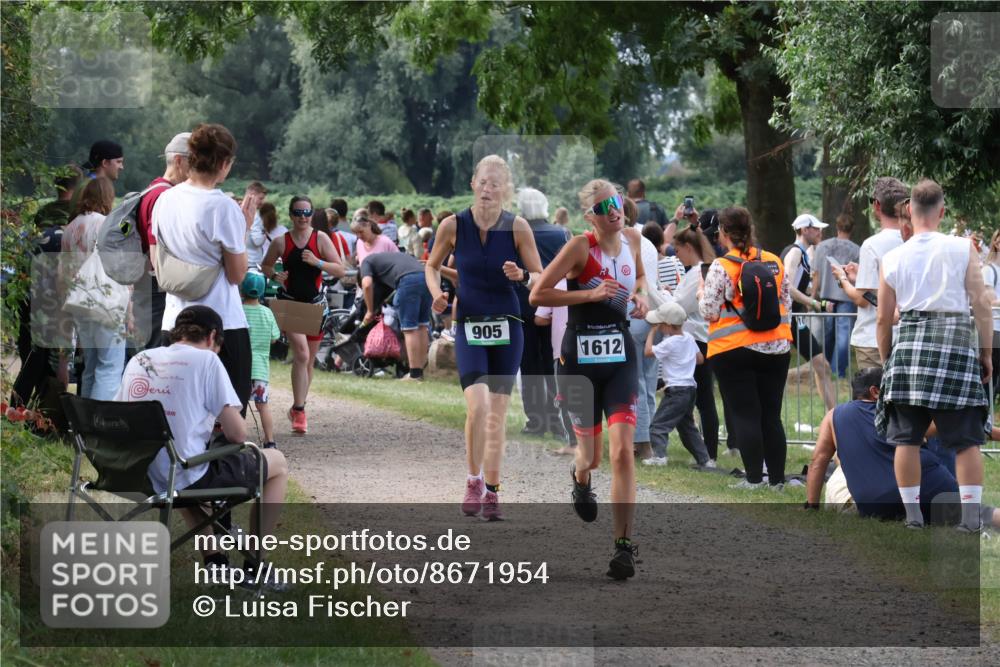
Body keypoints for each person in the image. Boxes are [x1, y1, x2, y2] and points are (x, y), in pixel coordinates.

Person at [114, 305, 288, 586]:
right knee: (276, 462)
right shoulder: (207, 361)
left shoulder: (141, 358)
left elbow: (121, 413)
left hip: (135, 473)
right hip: (177, 475)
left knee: (180, 461)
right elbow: (236, 434)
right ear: (212, 337)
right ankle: (256, 564)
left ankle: (215, 562)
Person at [530, 178, 649, 579]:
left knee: (621, 452)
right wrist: (588, 295)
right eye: (603, 207)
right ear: (589, 216)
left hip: (620, 358)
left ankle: (623, 547)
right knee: (592, 457)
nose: (614, 210)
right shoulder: (580, 248)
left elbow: (642, 278)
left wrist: (642, 295)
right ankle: (581, 478)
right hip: (578, 360)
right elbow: (538, 295)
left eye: (616, 202)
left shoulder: (633, 238)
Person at [426, 155, 543, 522]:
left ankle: (493, 490)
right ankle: (473, 480)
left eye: (496, 183)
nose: (489, 189)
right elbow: (431, 264)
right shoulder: (452, 225)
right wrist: (437, 294)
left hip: (509, 326)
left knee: (496, 414)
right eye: (484, 182)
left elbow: (540, 275)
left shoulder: (518, 227)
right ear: (473, 184)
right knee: (476, 407)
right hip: (471, 324)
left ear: (505, 189)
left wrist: (522, 275)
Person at [877, 179, 993, 531]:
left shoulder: (893, 257)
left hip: (909, 348)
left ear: (909, 211)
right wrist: (986, 353)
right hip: (955, 343)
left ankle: (913, 519)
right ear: (942, 212)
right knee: (966, 440)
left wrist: (887, 362)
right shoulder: (962, 249)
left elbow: (883, 318)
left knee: (907, 439)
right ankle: (971, 521)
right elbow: (981, 304)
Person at [151, 123, 261, 413]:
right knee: (227, 408)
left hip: (174, 318)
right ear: (224, 164)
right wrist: (244, 229)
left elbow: (155, 256)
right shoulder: (222, 206)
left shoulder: (164, 199)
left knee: (179, 407)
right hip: (220, 321)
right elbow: (237, 275)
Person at [699, 206, 792, 490]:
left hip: (734, 350)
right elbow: (786, 303)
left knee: (745, 414)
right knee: (771, 415)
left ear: (723, 233)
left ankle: (754, 479)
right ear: (750, 230)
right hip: (776, 348)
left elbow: (709, 311)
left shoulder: (722, 266)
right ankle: (776, 480)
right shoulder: (775, 262)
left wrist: (701, 293)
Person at [805, 368, 974, 522]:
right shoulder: (900, 410)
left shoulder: (833, 416)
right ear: (875, 391)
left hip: (876, 506)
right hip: (933, 491)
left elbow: (817, 462)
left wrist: (812, 506)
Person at [262, 195, 345, 435]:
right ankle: (299, 410)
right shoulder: (281, 241)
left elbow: (339, 268)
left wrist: (317, 262)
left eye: (307, 213)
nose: (303, 218)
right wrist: (274, 275)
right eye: (298, 213)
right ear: (291, 215)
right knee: (300, 353)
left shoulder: (321, 239)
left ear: (312, 215)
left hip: (315, 304)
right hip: (290, 303)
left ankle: (300, 405)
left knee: (308, 360)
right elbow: (266, 265)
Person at [11, 165, 82, 409]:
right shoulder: (76, 218)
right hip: (60, 294)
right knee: (58, 358)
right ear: (78, 186)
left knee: (32, 356)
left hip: (33, 291)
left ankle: (20, 408)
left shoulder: (42, 216)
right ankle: (47, 412)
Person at [670, 226, 730, 461]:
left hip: (699, 341)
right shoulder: (703, 270)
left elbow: (679, 307)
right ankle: (706, 453)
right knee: (704, 400)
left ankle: (709, 455)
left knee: (704, 400)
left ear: (688, 247)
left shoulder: (697, 273)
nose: (676, 255)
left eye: (678, 250)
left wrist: (661, 295)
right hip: (705, 340)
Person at [835, 177, 908, 369]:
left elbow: (863, 299)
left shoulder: (872, 245)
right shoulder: (913, 240)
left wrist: (843, 279)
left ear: (877, 205)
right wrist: (860, 276)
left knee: (871, 396)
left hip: (872, 338)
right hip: (906, 336)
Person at [61, 177, 123, 400]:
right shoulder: (106, 223)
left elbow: (64, 271)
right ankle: (101, 422)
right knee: (110, 366)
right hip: (104, 301)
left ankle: (85, 423)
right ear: (107, 197)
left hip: (79, 302)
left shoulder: (71, 227)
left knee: (91, 366)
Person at [516, 187, 568, 439]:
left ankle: (535, 419)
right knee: (552, 364)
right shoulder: (560, 233)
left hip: (524, 305)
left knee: (529, 367)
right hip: (554, 306)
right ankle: (555, 417)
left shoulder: (515, 232)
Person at [134, 132, 192, 351]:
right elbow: (156, 249)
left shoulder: (152, 189)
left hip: (146, 283)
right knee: (154, 351)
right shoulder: (164, 196)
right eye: (194, 162)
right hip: (157, 285)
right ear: (179, 161)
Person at [644, 302, 712, 467]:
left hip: (676, 391)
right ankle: (705, 460)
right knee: (687, 427)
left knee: (658, 425)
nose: (658, 327)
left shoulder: (670, 343)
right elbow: (700, 359)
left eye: (659, 324)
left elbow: (647, 352)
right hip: (690, 389)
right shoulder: (688, 338)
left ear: (667, 325)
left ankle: (659, 457)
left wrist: (651, 332)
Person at [782, 213, 837, 412]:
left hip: (795, 318)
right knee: (820, 366)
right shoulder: (795, 252)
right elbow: (786, 286)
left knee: (822, 366)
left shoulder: (804, 253)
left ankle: (833, 418)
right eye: (817, 229)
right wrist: (815, 303)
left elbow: (795, 286)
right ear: (805, 230)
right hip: (786, 319)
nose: (820, 232)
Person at [623, 197, 662, 462]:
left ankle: (641, 441)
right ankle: (650, 438)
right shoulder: (647, 242)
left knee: (634, 381)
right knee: (648, 383)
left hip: (632, 312)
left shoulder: (625, 241)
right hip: (653, 313)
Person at [360, 252, 432, 381]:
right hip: (427, 278)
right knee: (422, 327)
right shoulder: (392, 256)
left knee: (409, 329)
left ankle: (414, 375)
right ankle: (420, 372)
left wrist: (370, 311)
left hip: (408, 281)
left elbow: (366, 284)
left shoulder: (366, 262)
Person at [813, 213, 860, 378]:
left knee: (827, 334)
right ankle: (837, 371)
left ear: (837, 227)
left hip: (826, 296)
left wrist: (813, 298)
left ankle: (824, 370)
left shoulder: (822, 247)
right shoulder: (856, 250)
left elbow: (816, 274)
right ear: (852, 229)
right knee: (843, 337)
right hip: (846, 298)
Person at [533, 279, 576, 454]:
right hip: (589, 349)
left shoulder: (555, 285)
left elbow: (539, 319)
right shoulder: (593, 282)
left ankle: (573, 443)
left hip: (563, 350)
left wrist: (557, 317)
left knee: (565, 398)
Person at [241, 272, 281, 449]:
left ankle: (236, 439)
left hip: (240, 367)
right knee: (262, 405)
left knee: (237, 406)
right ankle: (270, 440)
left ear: (242, 291)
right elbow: (274, 338)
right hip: (260, 369)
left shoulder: (238, 311)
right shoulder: (267, 313)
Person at [982, 229, 1000, 398]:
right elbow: (990, 301)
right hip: (995, 331)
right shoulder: (989, 270)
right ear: (996, 242)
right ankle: (985, 421)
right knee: (990, 381)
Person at [642, 221, 685, 294]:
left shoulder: (644, 268)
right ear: (662, 239)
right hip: (676, 304)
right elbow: (683, 289)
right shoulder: (677, 262)